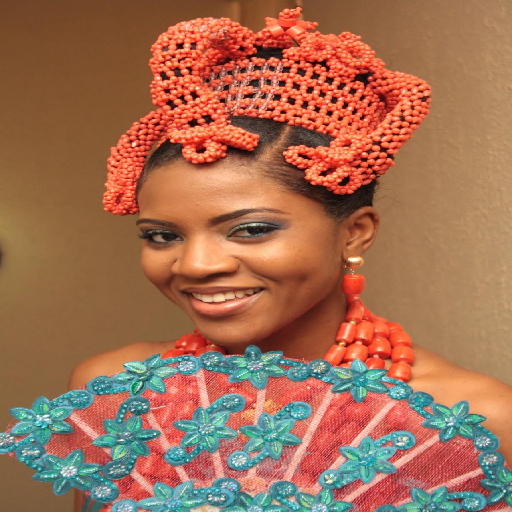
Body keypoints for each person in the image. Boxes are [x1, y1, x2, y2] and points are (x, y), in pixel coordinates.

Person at [2, 7, 511, 512]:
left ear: (355, 234)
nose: (196, 265)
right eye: (161, 236)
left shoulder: (471, 419)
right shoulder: (115, 395)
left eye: (251, 230)